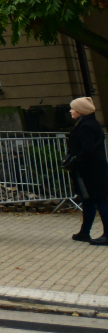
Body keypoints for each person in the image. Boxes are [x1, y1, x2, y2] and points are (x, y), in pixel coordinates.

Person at [65, 97, 108, 245]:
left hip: (91, 170)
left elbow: (87, 148)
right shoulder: (89, 124)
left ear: (81, 111)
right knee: (88, 200)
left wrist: (76, 161)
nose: (71, 111)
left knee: (100, 199)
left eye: (73, 108)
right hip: (92, 169)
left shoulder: (86, 126)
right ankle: (85, 231)